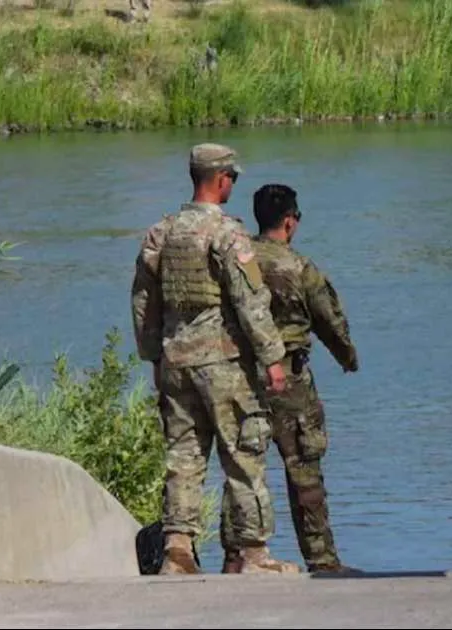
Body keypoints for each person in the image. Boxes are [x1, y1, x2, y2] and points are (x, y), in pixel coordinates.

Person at [130, 143, 297, 575]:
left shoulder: (161, 233)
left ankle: (177, 553)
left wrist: (154, 356)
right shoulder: (227, 234)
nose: (232, 185)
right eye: (232, 179)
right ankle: (253, 554)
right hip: (223, 364)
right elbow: (250, 300)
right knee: (244, 455)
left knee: (183, 458)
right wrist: (273, 358)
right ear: (222, 180)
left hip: (175, 362)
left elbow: (144, 302)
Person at [217, 184, 361, 575]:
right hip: (290, 379)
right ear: (290, 221)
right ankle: (322, 560)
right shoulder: (298, 267)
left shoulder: (238, 260)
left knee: (243, 467)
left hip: (241, 377)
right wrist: (348, 358)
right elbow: (329, 320)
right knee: (304, 467)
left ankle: (234, 557)